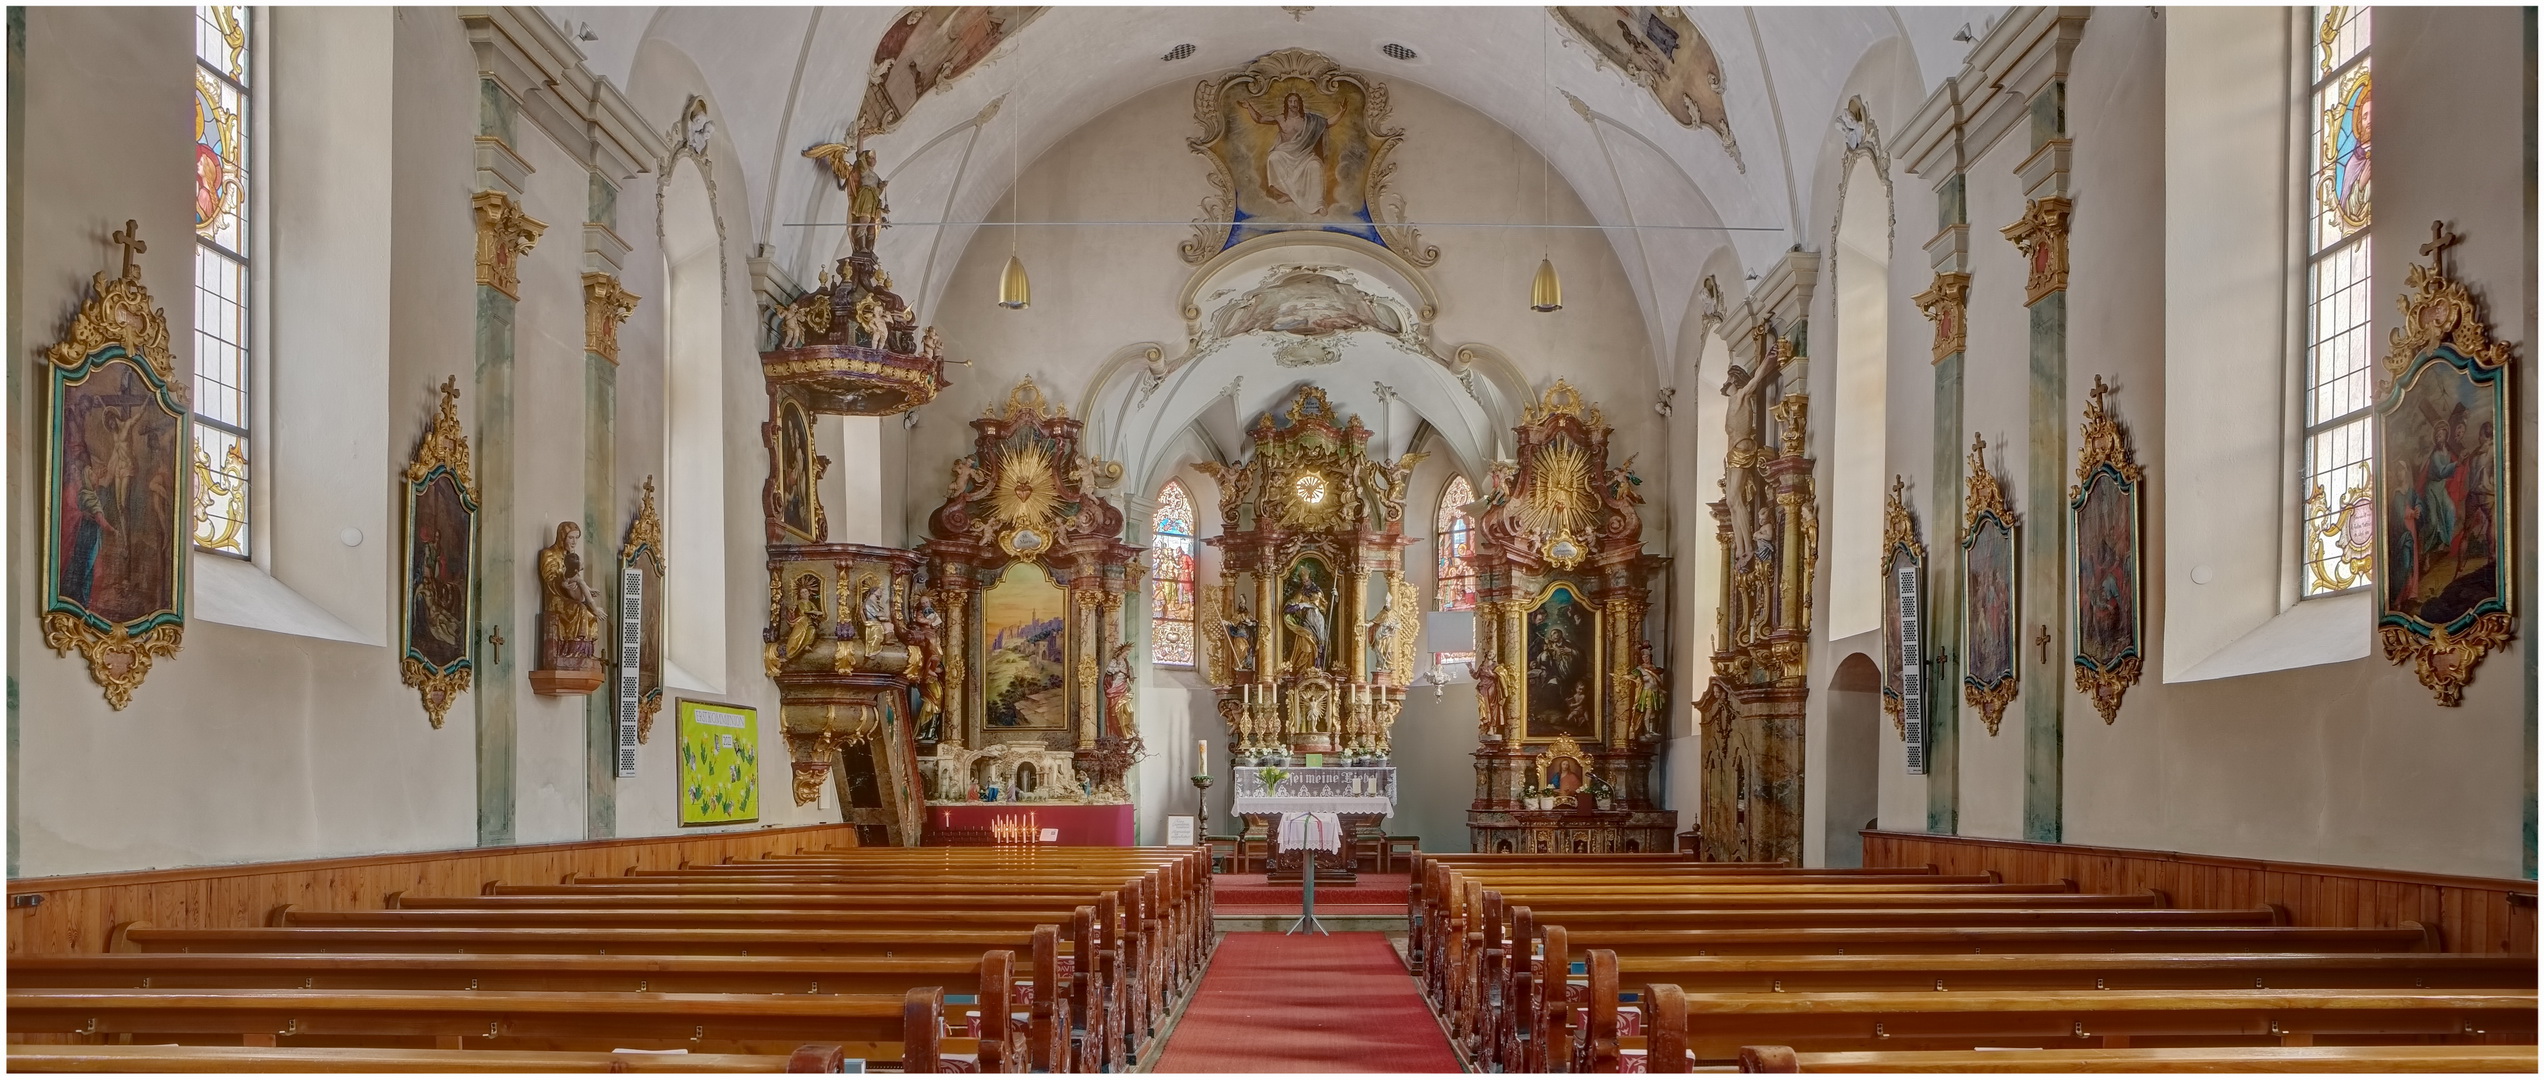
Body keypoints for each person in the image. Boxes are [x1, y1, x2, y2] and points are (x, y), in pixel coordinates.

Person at [1239, 92, 1330, 215]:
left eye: (1296, 101)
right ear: (1286, 104)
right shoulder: (1280, 118)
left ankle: (1318, 204)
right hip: (1286, 154)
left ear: (1300, 104)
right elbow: (1259, 119)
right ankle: (1288, 195)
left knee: (1316, 166)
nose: (1293, 104)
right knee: (1273, 157)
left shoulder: (1309, 120)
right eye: (1291, 101)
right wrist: (1249, 106)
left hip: (1305, 155)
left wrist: (1342, 112)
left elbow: (1328, 123)